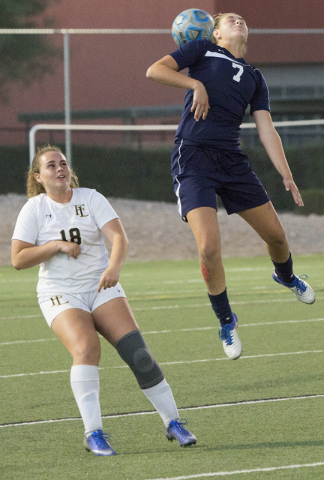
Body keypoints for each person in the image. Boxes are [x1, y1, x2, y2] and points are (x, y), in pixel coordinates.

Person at [146, 12, 315, 361]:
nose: (239, 21)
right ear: (217, 32)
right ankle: (226, 320)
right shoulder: (202, 49)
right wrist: (196, 85)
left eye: (242, 19)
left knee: (277, 237)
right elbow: (155, 70)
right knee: (208, 247)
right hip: (193, 158)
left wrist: (286, 173)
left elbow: (266, 128)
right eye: (230, 20)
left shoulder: (255, 77)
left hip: (231, 161)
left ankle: (285, 277)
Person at [11, 145, 196, 456]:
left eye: (64, 163)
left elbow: (119, 238)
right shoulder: (34, 209)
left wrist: (113, 267)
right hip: (61, 292)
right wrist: (56, 245)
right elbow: (18, 258)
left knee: (139, 355)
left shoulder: (91, 198)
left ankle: (173, 422)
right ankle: (93, 433)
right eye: (51, 165)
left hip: (100, 285)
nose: (60, 169)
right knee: (86, 348)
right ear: (38, 176)